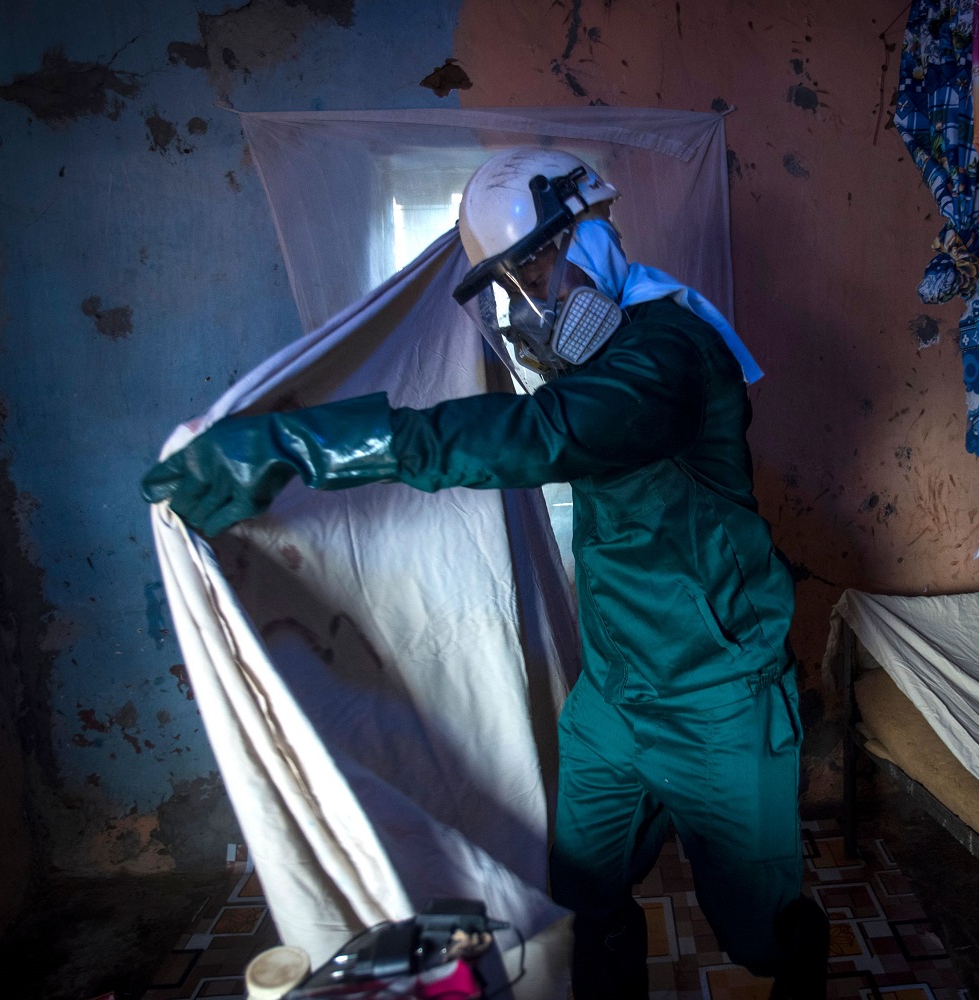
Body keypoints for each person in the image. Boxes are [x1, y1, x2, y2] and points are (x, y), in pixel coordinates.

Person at [142, 148, 827, 999]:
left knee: (760, 935)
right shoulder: (606, 363)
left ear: (598, 228)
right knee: (583, 897)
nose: (532, 297)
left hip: (719, 697)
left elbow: (537, 434)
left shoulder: (669, 354)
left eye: (537, 259)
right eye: (513, 279)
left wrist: (302, 444)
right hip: (614, 698)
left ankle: (799, 966)